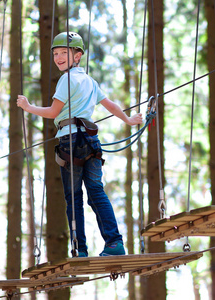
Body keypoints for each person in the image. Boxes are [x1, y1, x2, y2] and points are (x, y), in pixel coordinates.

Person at [17, 31, 143, 257]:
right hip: (92, 141)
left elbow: (54, 111)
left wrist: (28, 107)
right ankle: (115, 243)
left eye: (64, 52)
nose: (58, 57)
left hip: (70, 142)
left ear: (77, 56)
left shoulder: (66, 79)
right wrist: (128, 119)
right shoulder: (90, 81)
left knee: (73, 197)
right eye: (55, 53)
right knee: (96, 191)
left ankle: (80, 249)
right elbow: (110, 105)